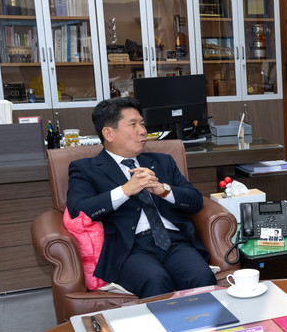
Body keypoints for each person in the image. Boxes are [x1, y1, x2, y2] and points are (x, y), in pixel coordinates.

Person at [67, 97, 216, 298]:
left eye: (142, 124)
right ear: (109, 133)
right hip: (129, 249)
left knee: (201, 276)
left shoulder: (162, 161)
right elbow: (79, 210)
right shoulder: (86, 169)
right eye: (133, 125)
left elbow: (195, 201)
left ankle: (205, 320)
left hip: (174, 242)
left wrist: (163, 190)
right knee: (155, 280)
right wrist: (125, 190)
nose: (143, 131)